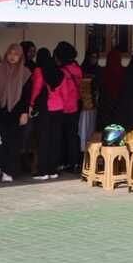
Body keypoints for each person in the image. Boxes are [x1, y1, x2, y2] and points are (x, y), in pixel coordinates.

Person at [0, 44, 31, 183]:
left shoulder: (25, 73)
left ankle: (9, 170)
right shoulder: (0, 70)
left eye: (16, 54)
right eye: (10, 54)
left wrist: (24, 113)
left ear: (20, 57)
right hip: (1, 110)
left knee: (12, 142)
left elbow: (26, 95)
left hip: (16, 112)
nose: (12, 57)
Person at [30, 48, 64, 180]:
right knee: (55, 139)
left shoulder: (39, 70)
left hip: (45, 109)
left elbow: (37, 88)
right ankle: (53, 170)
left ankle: (43, 171)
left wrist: (32, 103)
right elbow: (64, 92)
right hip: (59, 109)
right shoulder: (59, 72)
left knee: (43, 140)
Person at [54, 42, 81, 172]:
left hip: (64, 107)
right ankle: (75, 162)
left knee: (62, 136)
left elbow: (62, 91)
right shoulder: (77, 68)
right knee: (73, 135)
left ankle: (64, 162)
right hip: (75, 106)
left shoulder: (62, 71)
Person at [97, 48, 124, 131]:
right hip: (119, 106)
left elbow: (98, 86)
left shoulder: (103, 71)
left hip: (105, 106)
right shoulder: (124, 72)